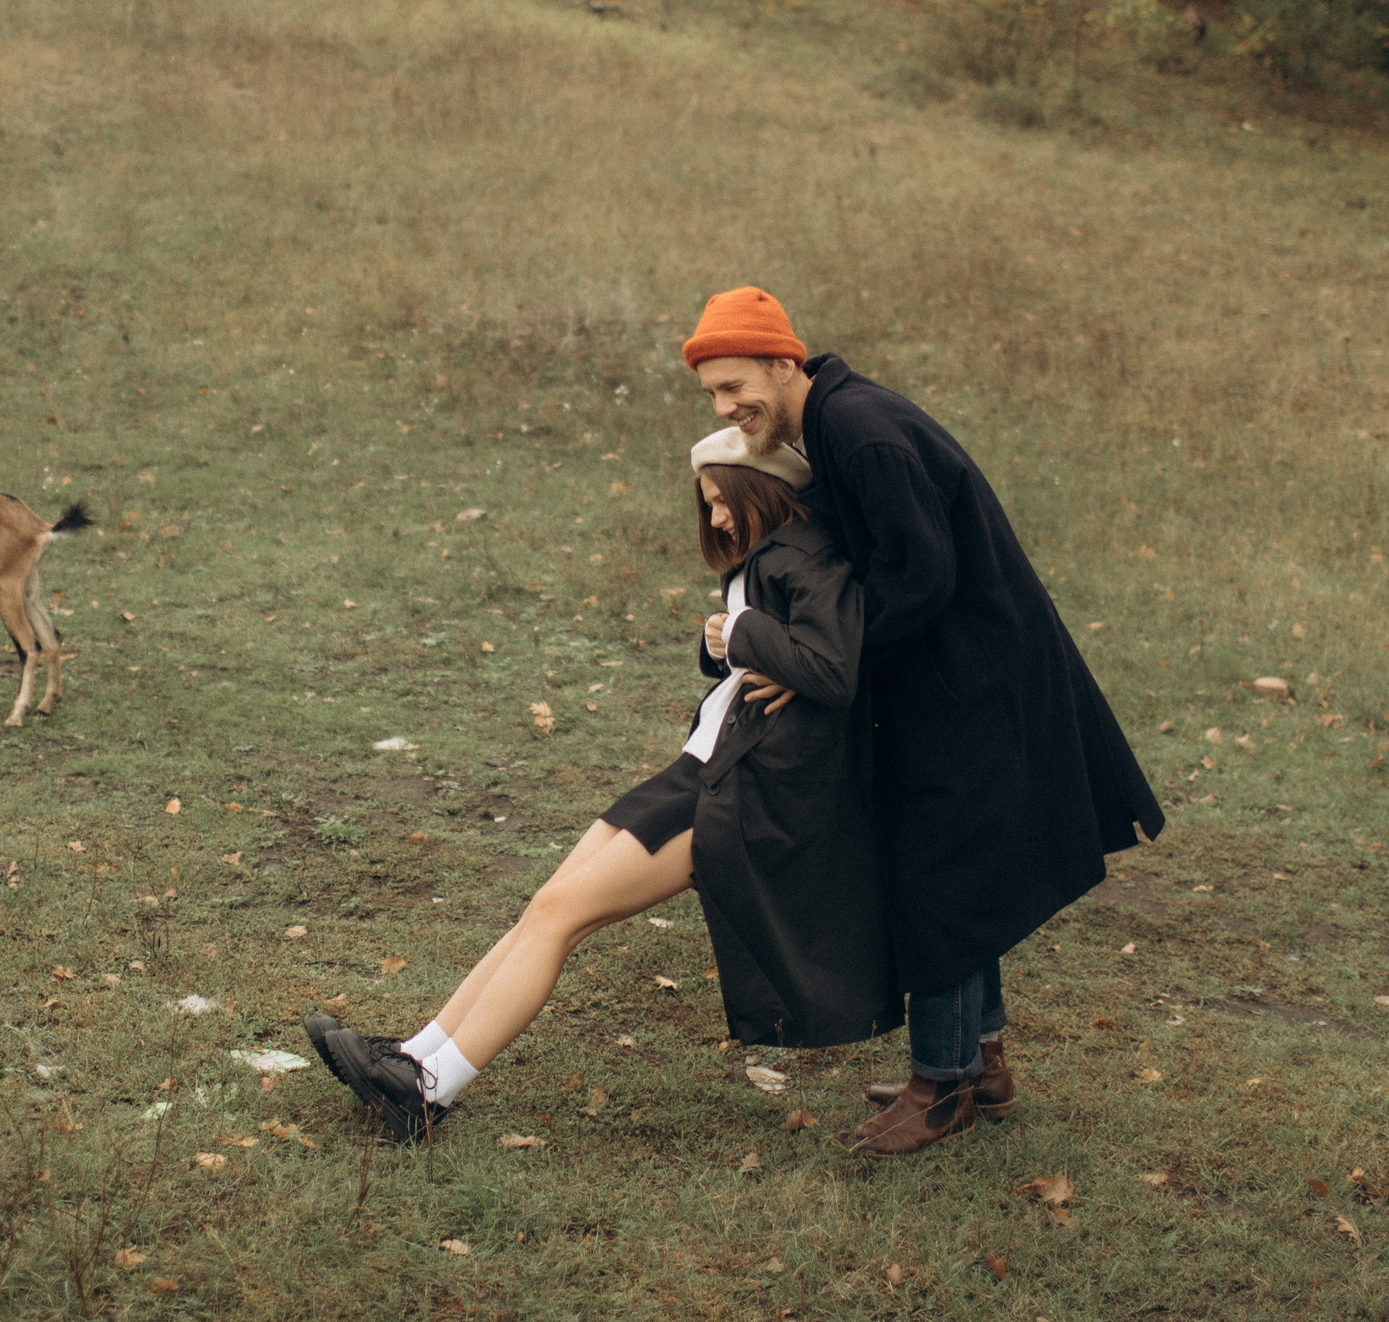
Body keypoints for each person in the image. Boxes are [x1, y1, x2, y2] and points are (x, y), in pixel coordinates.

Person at [305, 428, 900, 1143]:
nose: (713, 519)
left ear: (758, 488)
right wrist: (729, 642)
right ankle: (413, 1055)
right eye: (706, 504)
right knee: (548, 905)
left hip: (739, 790)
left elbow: (833, 669)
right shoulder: (765, 558)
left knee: (559, 913)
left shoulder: (806, 554)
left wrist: (739, 632)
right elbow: (769, 656)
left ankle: (428, 1092)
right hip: (702, 764)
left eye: (720, 502)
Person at [682, 284, 1167, 1157]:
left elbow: (921, 578)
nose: (726, 408)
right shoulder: (830, 420)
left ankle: (939, 1087)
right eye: (713, 394)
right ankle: (979, 1061)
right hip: (950, 672)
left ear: (784, 362)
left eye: (734, 385)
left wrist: (820, 661)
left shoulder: (859, 430)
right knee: (953, 870)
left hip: (975, 676)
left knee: (935, 874)